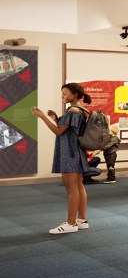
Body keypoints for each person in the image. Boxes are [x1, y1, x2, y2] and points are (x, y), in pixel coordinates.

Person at [31, 83, 91, 234]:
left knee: (72, 188)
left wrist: (43, 117)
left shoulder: (72, 111)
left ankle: (70, 224)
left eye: (65, 94)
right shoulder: (81, 110)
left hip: (69, 153)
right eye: (62, 94)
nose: (63, 96)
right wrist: (56, 118)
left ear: (75, 95)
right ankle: (81, 220)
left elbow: (58, 131)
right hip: (77, 151)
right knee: (78, 185)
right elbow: (68, 130)